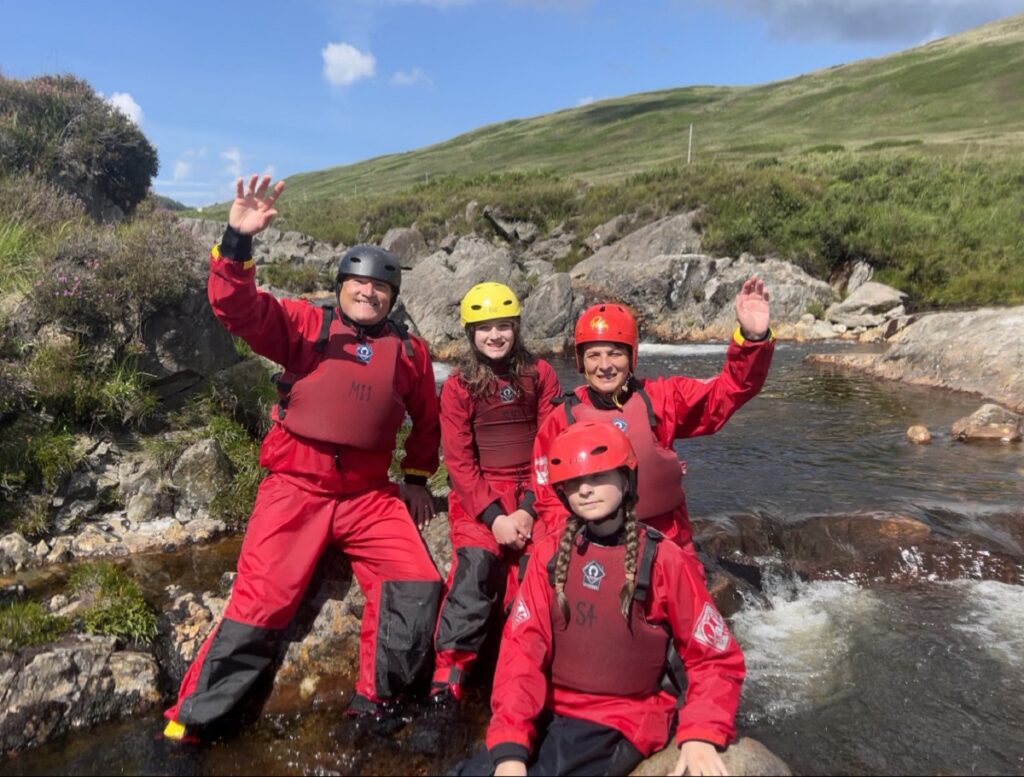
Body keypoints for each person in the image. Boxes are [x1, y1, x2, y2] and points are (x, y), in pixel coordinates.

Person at [163, 174, 443, 740]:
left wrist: (415, 478)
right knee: (261, 602)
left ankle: (377, 703)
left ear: (393, 298)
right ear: (340, 286)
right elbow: (235, 308)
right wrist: (237, 242)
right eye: (359, 284)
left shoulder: (410, 352)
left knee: (415, 584)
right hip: (296, 488)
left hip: (369, 496)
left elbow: (428, 420)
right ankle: (193, 721)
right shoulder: (304, 325)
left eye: (380, 289)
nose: (369, 294)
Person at [455, 421, 744, 776]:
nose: (586, 490)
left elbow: (714, 659)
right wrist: (510, 744)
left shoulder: (664, 560)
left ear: (627, 479)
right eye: (574, 483)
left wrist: (701, 732)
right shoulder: (547, 553)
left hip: (620, 719)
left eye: (598, 477)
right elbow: (520, 655)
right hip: (551, 708)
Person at [531, 282, 774, 560]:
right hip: (592, 545)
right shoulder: (561, 418)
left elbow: (730, 390)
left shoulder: (663, 397)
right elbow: (546, 495)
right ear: (581, 361)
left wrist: (753, 340)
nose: (604, 365)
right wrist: (567, 547)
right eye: (593, 355)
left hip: (665, 541)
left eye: (615, 353)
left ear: (631, 356)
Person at [431, 282, 562, 704]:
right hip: (480, 493)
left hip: (534, 491)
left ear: (516, 328)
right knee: (476, 570)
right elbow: (460, 464)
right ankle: (450, 673)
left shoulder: (539, 374)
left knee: (538, 571)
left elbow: (550, 445)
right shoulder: (458, 386)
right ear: (470, 333)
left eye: (503, 327)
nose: (494, 336)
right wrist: (495, 518)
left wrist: (526, 509)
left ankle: (526, 669)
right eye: (484, 328)